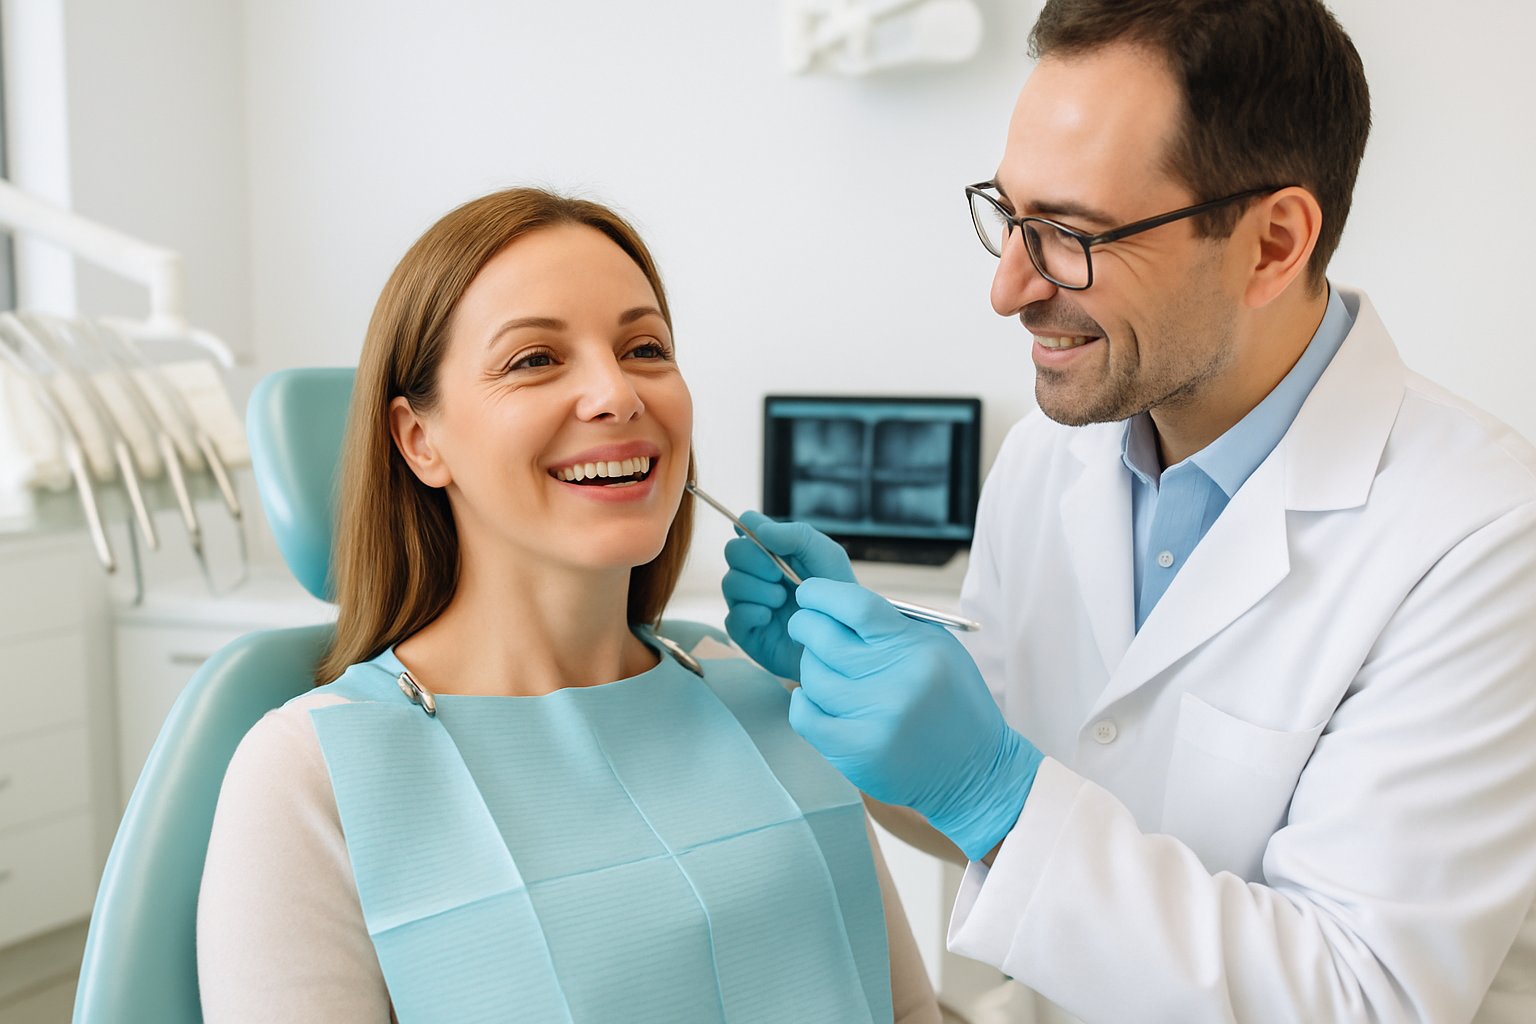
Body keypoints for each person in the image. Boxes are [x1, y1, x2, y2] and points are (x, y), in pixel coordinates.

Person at [720, 2, 1536, 1021]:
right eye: (1010, 216)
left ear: (1273, 243)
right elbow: (1000, 828)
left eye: (1069, 235)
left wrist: (994, 789)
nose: (1009, 286)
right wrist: (872, 715)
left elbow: (1364, 998)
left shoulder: (1482, 532)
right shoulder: (1048, 457)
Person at [197, 187, 940, 1023]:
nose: (617, 394)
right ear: (419, 440)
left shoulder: (760, 689)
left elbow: (908, 1011)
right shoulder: (308, 771)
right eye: (535, 359)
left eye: (645, 347)